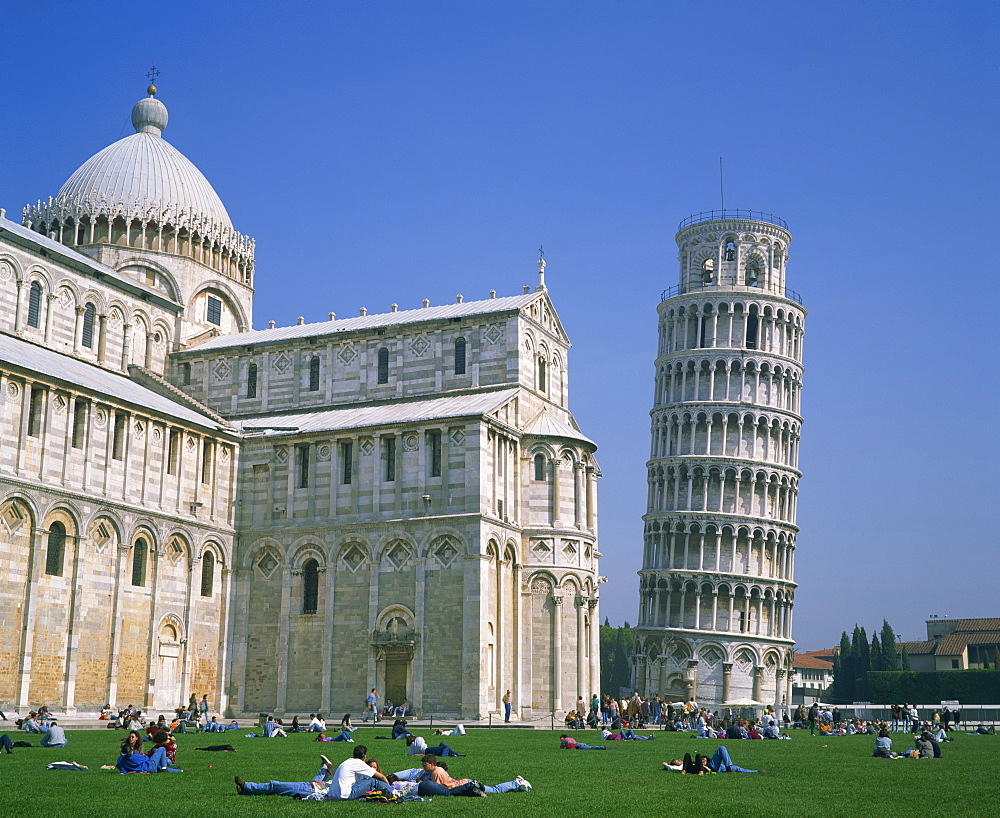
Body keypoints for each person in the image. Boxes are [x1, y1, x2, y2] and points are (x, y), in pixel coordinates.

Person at [235, 746, 393, 800]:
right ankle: (246, 789)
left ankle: (246, 787)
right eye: (369, 765)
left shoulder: (355, 768)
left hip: (314, 788)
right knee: (276, 787)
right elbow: (378, 777)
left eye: (374, 767)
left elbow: (377, 779)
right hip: (316, 787)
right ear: (364, 759)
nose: (371, 768)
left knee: (275, 786)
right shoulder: (360, 771)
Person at [663, 746, 761, 773]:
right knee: (722, 748)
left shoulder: (690, 762)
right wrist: (666, 765)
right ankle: (728, 767)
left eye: (678, 759)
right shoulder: (686, 765)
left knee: (738, 768)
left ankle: (756, 771)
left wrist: (705, 759)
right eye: (677, 761)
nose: (679, 760)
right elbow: (672, 768)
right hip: (711, 766)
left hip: (719, 767)